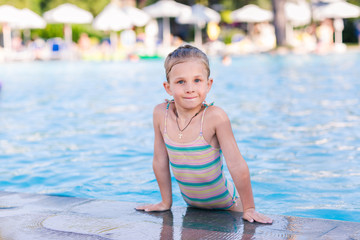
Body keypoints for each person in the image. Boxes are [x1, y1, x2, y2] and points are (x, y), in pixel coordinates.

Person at [136, 45, 272, 224]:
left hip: (229, 206)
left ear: (208, 84)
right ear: (167, 87)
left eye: (197, 80)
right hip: (193, 207)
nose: (190, 88)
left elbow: (236, 164)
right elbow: (159, 160)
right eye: (181, 82)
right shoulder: (161, 114)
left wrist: (249, 208)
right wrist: (165, 202)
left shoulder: (215, 117)